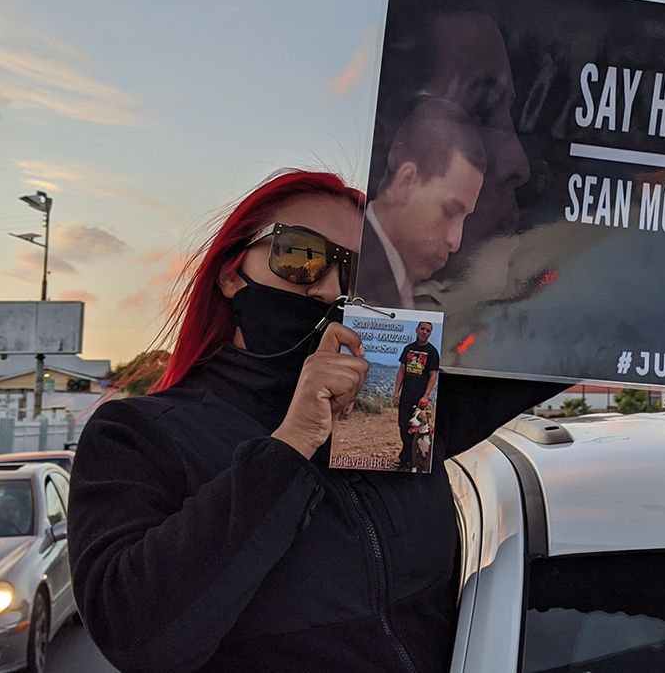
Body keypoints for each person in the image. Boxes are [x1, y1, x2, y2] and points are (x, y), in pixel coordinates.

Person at [67, 170, 564, 671]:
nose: (329, 290)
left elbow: (567, 341)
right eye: (300, 257)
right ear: (231, 273)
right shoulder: (138, 432)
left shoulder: (397, 405)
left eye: (355, 272)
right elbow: (133, 633)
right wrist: (292, 442)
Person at [358, 98, 487, 308]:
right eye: (449, 211)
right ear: (406, 181)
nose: (455, 242)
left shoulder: (380, 276)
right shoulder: (353, 274)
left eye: (464, 218)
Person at [393, 320, 441, 469]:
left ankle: (408, 460)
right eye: (422, 329)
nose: (424, 332)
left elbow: (433, 375)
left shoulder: (432, 352)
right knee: (403, 426)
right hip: (406, 395)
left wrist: (426, 395)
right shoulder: (408, 348)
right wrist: (396, 391)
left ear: (430, 333)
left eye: (428, 330)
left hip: (420, 398)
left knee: (417, 429)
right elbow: (402, 370)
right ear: (416, 330)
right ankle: (407, 457)